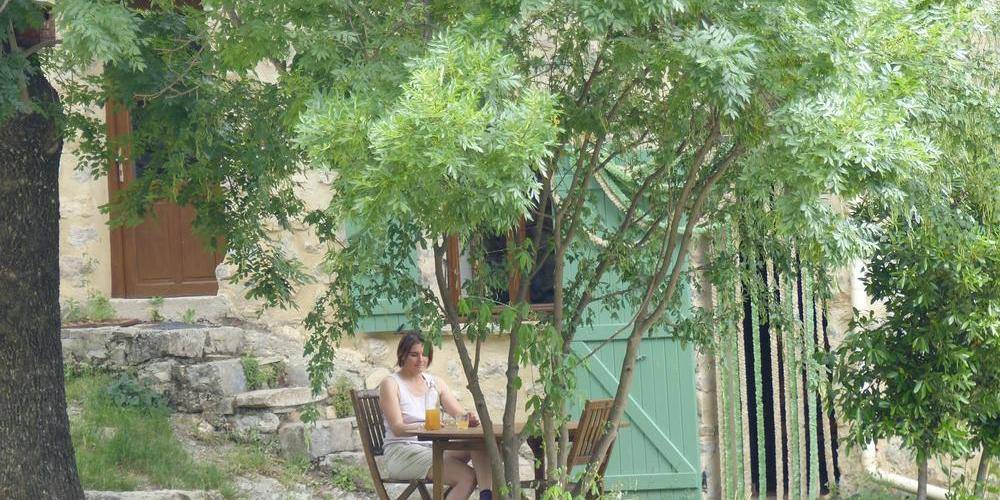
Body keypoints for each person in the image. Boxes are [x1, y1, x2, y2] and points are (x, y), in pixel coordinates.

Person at [379, 333, 493, 500]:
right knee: (467, 477)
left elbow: (459, 415)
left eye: (425, 354)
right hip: (403, 452)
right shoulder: (391, 384)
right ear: (402, 355)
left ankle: (486, 496)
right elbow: (397, 428)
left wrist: (468, 417)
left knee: (478, 443)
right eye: (414, 354)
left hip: (433, 448)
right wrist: (424, 427)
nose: (421, 360)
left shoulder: (434, 383)